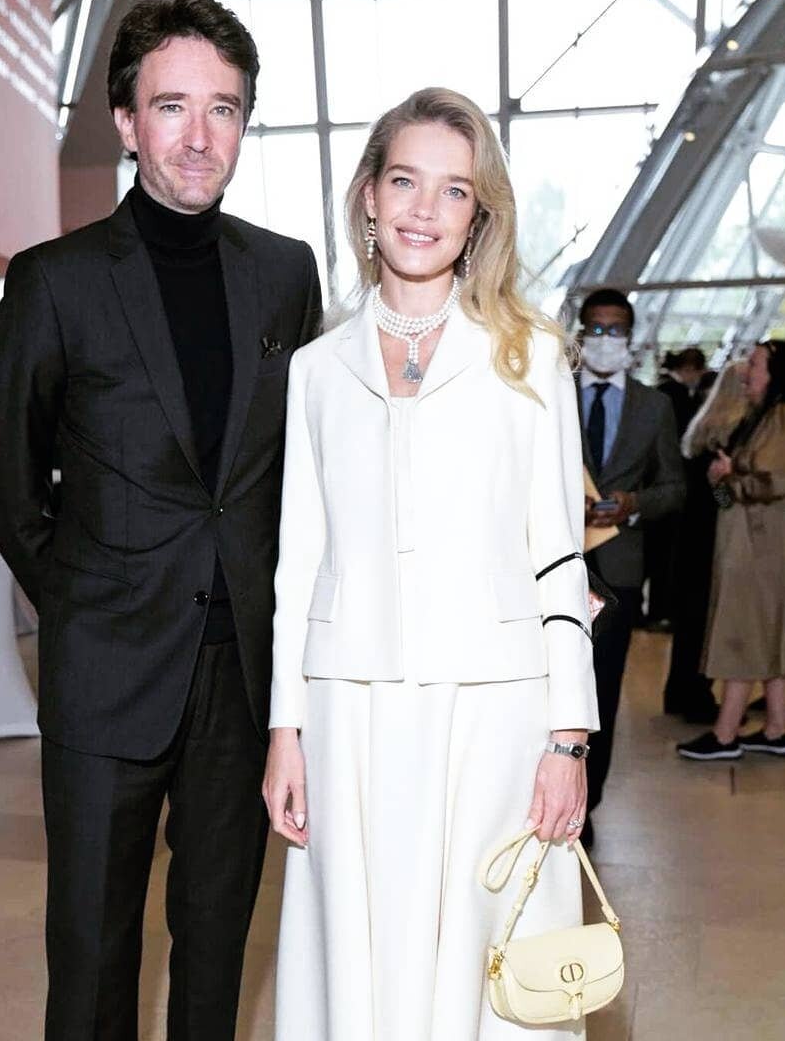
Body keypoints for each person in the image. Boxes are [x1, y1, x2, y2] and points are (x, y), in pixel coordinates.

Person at [0, 0, 322, 1041]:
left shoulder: (284, 274)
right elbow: (9, 482)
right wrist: (83, 606)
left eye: (224, 108)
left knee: (217, 948)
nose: (199, 135)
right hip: (107, 672)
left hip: (241, 679)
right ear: (127, 122)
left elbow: (299, 473)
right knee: (92, 955)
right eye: (173, 107)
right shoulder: (56, 281)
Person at [264, 88, 598, 1040]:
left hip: (494, 710)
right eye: (405, 181)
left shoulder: (528, 356)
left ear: (478, 215)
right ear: (368, 196)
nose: (424, 209)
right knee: (357, 952)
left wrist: (569, 740)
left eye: (453, 190)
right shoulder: (316, 369)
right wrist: (286, 730)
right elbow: (300, 562)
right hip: (349, 709)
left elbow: (558, 556)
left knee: (486, 952)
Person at [576, 288, 684, 845]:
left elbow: (675, 487)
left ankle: (585, 805)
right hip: (556, 564)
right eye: (596, 329)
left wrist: (634, 503)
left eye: (615, 330)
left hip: (618, 569)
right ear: (580, 334)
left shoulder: (653, 406)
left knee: (601, 691)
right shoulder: (552, 394)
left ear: (630, 338)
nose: (605, 340)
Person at [677, 340, 785, 760]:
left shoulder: (783, 417)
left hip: (765, 548)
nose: (746, 371)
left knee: (744, 636)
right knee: (771, 639)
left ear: (777, 373)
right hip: (760, 544)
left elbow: (776, 479)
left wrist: (730, 476)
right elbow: (733, 494)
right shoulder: (767, 416)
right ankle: (776, 730)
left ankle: (726, 734)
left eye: (755, 364)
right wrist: (725, 479)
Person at [662, 363, 746, 722]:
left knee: (688, 625)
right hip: (714, 541)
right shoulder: (732, 434)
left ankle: (678, 693)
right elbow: (723, 499)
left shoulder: (701, 429)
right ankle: (698, 697)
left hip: (688, 538)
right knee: (706, 624)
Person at [645, 347, 709, 629]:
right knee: (665, 557)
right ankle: (660, 611)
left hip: (651, 487)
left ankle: (643, 612)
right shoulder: (680, 400)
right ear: (692, 369)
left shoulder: (655, 394)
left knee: (651, 553)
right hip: (676, 492)